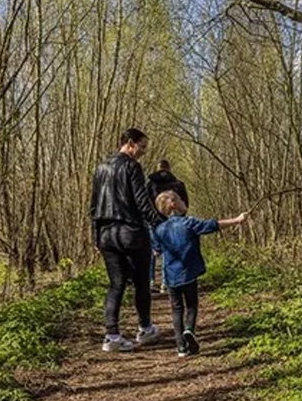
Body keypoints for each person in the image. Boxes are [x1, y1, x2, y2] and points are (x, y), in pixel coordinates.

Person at [90, 128, 165, 352]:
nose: (143, 152)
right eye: (142, 147)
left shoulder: (101, 168)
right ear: (130, 144)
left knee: (116, 284)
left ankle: (112, 336)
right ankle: (145, 328)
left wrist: (96, 235)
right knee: (141, 282)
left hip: (106, 234)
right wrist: (161, 222)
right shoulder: (132, 166)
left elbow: (94, 206)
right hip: (131, 232)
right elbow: (142, 202)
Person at [152, 190, 248, 357]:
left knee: (176, 309)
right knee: (192, 305)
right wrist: (237, 220)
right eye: (181, 199)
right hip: (189, 272)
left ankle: (181, 347)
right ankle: (189, 329)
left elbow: (157, 251)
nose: (184, 201)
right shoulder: (189, 223)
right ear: (174, 204)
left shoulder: (159, 229)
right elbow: (212, 225)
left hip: (171, 276)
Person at [146, 160, 189, 293]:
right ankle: (166, 283)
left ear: (157, 169)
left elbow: (145, 203)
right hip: (173, 222)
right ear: (169, 169)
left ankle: (150, 281)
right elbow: (185, 203)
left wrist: (150, 219)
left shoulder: (150, 184)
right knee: (169, 251)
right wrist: (179, 218)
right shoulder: (178, 184)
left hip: (153, 222)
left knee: (152, 252)